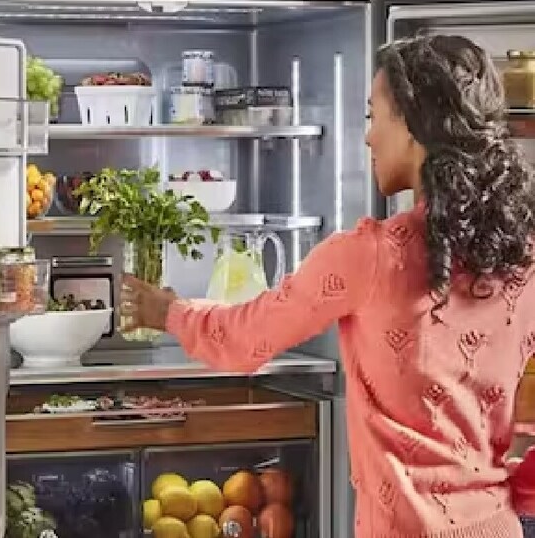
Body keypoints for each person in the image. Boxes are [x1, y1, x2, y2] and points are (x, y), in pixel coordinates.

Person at [121, 35, 535, 537]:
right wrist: (523, 488)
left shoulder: (369, 255)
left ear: (412, 125)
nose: (368, 138)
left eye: (373, 115)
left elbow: (247, 338)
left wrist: (169, 312)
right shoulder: (523, 256)